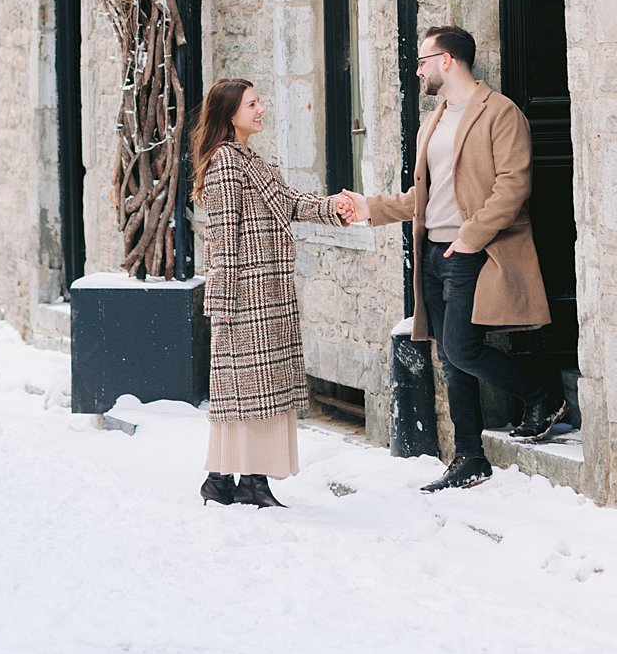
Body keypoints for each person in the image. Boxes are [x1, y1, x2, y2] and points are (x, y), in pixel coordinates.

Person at [334, 25, 562, 492]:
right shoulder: (434, 119)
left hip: (471, 250)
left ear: (447, 60)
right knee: (452, 360)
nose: (417, 69)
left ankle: (542, 392)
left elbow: (513, 185)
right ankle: (470, 457)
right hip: (434, 250)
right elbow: (425, 195)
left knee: (461, 347)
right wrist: (371, 209)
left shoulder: (500, 113)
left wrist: (472, 236)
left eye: (423, 60)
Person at [197, 77, 345, 508]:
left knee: (259, 391)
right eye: (252, 105)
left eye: (259, 102)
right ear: (230, 114)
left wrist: (333, 208)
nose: (261, 110)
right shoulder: (227, 162)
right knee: (251, 392)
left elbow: (289, 202)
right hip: (247, 296)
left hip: (267, 293)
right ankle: (246, 482)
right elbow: (222, 237)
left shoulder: (248, 158)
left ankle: (232, 481)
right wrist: (222, 305)